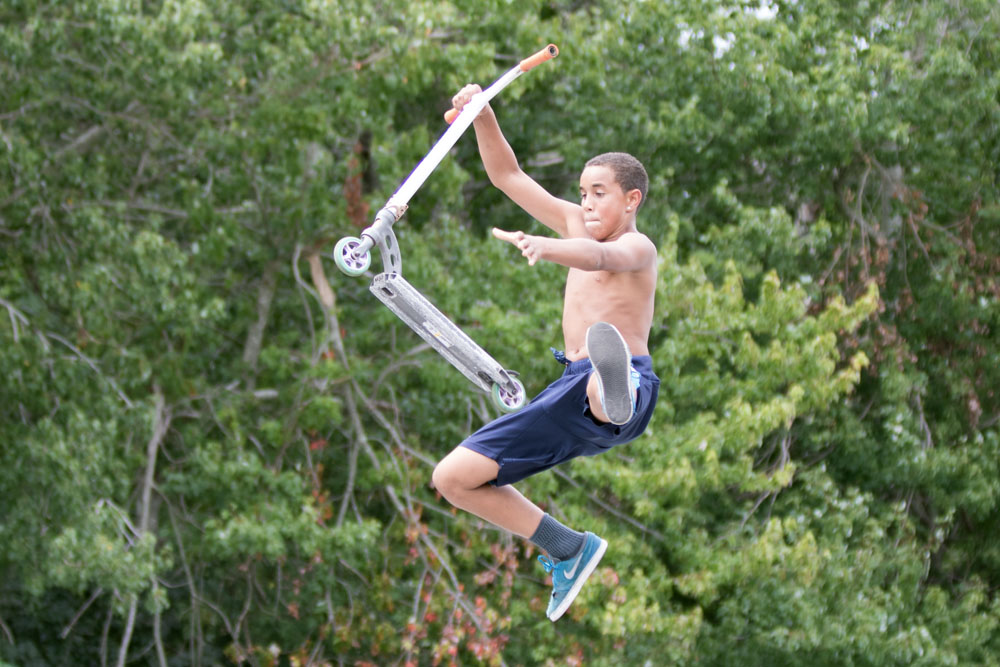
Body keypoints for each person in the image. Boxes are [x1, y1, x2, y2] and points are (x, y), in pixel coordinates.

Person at [431, 84, 660, 622]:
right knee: (452, 479)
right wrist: (482, 117)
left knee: (600, 381)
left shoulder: (638, 247)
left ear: (632, 200)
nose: (585, 204)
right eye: (582, 193)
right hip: (566, 393)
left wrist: (548, 247)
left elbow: (599, 258)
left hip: (625, 385)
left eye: (599, 193)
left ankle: (614, 389)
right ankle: (566, 547)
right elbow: (507, 176)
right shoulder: (576, 222)